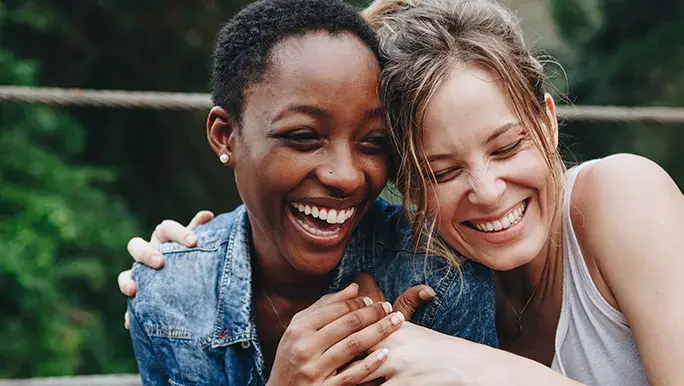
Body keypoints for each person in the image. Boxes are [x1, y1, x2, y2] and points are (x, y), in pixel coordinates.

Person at [125, 0, 684, 384]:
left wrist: (491, 372)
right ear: (407, 184)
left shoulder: (621, 199)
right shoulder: (435, 278)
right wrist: (197, 265)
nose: (488, 192)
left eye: (507, 147)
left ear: (548, 122)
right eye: (442, 172)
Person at [122, 0, 497, 385]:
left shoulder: (440, 278)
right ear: (225, 136)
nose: (347, 176)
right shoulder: (168, 295)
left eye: (373, 142)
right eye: (303, 137)